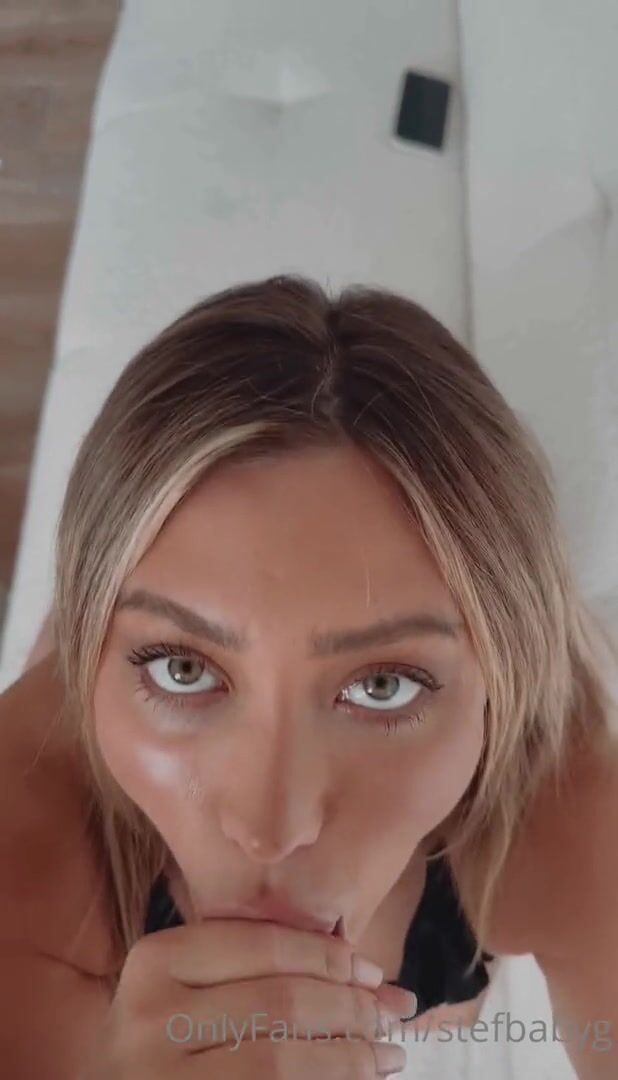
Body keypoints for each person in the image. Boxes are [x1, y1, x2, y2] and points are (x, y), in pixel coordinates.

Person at [1, 273, 617, 1078]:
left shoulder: (574, 805)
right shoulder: (25, 836)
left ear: (496, 690)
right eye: (183, 670)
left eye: (383, 685)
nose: (271, 827)